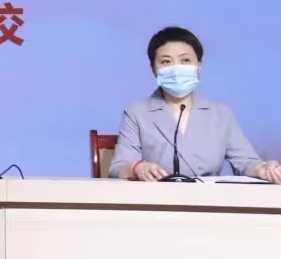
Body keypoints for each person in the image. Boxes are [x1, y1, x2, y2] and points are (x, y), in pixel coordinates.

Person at [109, 26, 281, 183]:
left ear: (199, 65)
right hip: (156, 200)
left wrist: (262, 168)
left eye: (185, 60)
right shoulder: (137, 113)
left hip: (209, 201)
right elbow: (119, 166)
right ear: (153, 68)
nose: (176, 68)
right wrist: (137, 168)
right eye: (166, 62)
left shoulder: (220, 113)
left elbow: (245, 161)